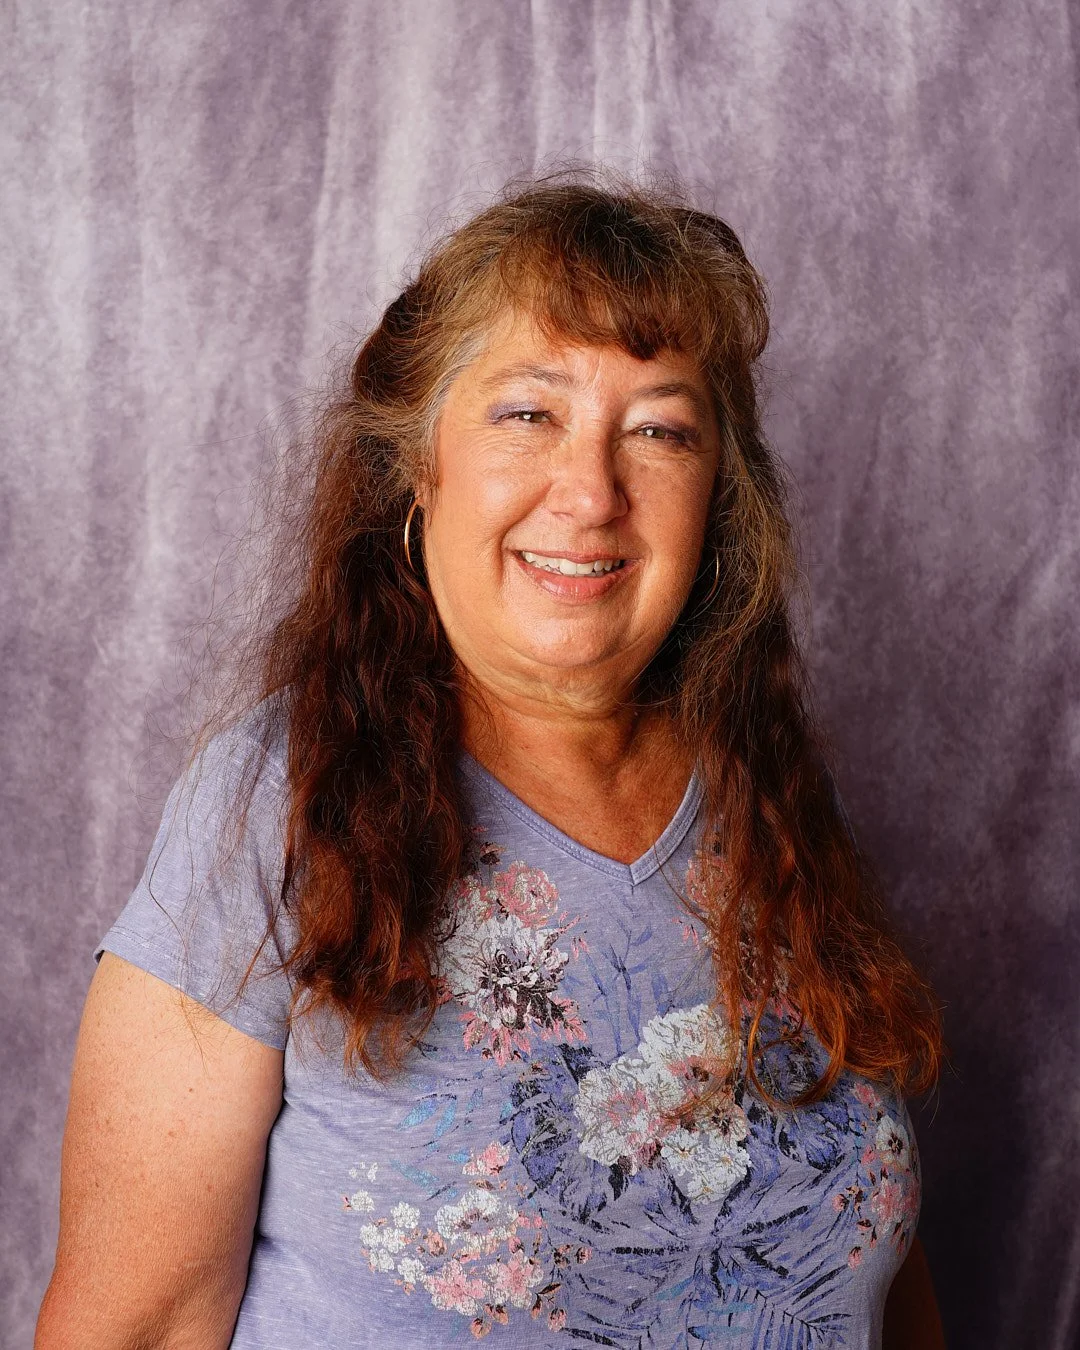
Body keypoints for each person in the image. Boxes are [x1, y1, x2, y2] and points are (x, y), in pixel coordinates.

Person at [36, 177, 946, 1349]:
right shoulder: (277, 804)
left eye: (659, 431)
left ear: (718, 497)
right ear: (420, 467)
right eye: (528, 414)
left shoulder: (772, 799)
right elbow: (137, 1325)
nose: (592, 493)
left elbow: (879, 1267)